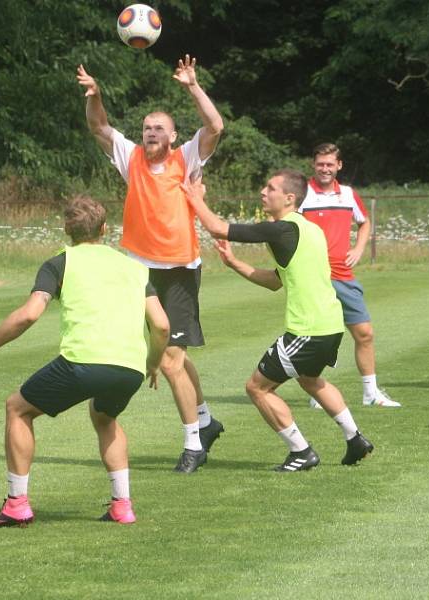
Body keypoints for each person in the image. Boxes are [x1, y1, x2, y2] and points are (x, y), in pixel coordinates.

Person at [0, 197, 169, 526]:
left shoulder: (60, 263)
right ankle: (122, 505)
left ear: (66, 228)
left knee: (17, 408)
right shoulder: (134, 268)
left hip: (83, 360)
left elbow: (29, 314)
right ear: (104, 229)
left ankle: (16, 503)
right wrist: (153, 363)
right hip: (130, 367)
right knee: (105, 417)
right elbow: (162, 325)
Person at [77, 56, 225, 473]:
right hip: (139, 271)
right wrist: (96, 95)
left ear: (174, 136)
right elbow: (100, 128)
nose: (151, 133)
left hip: (179, 270)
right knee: (173, 354)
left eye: (159, 128)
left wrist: (193, 87)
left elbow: (215, 127)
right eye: (146, 128)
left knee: (170, 358)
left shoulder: (187, 159)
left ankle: (193, 443)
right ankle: (207, 420)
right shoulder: (131, 159)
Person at [182, 170, 374, 471]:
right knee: (311, 380)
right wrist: (234, 263)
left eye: (270, 188)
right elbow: (275, 281)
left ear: (289, 198)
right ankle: (355, 439)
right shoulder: (310, 230)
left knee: (257, 388)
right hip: (331, 326)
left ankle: (301, 451)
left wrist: (195, 199)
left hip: (307, 330)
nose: (263, 192)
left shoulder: (281, 230)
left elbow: (218, 228)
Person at [298, 143, 401, 408]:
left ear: (339, 166)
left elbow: (364, 222)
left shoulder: (347, 194)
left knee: (364, 333)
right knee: (315, 337)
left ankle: (370, 393)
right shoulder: (301, 193)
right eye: (320, 163)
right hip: (313, 278)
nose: (325, 168)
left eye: (330, 164)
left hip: (343, 275)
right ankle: (316, 394)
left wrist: (358, 248)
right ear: (313, 164)